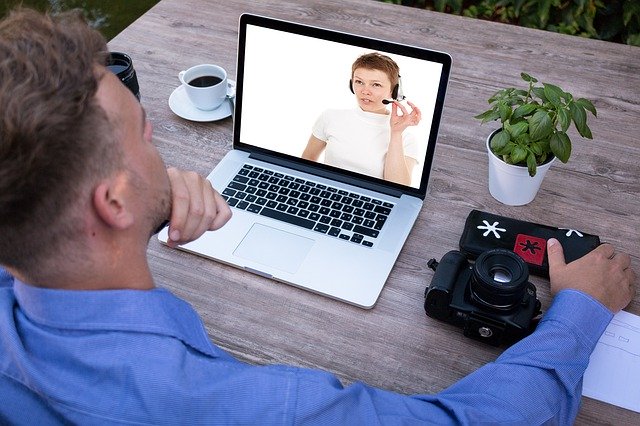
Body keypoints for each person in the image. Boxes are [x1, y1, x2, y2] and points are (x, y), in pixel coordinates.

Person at [0, 8, 636, 425]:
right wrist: (581, 316)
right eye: (144, 132)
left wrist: (148, 196)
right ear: (109, 202)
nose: (158, 148)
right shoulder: (264, 407)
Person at [302, 52, 422, 186]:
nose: (365, 91)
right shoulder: (330, 117)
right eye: (359, 82)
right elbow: (307, 160)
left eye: (375, 85)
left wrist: (396, 133)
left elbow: (399, 188)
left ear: (394, 91)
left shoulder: (406, 139)